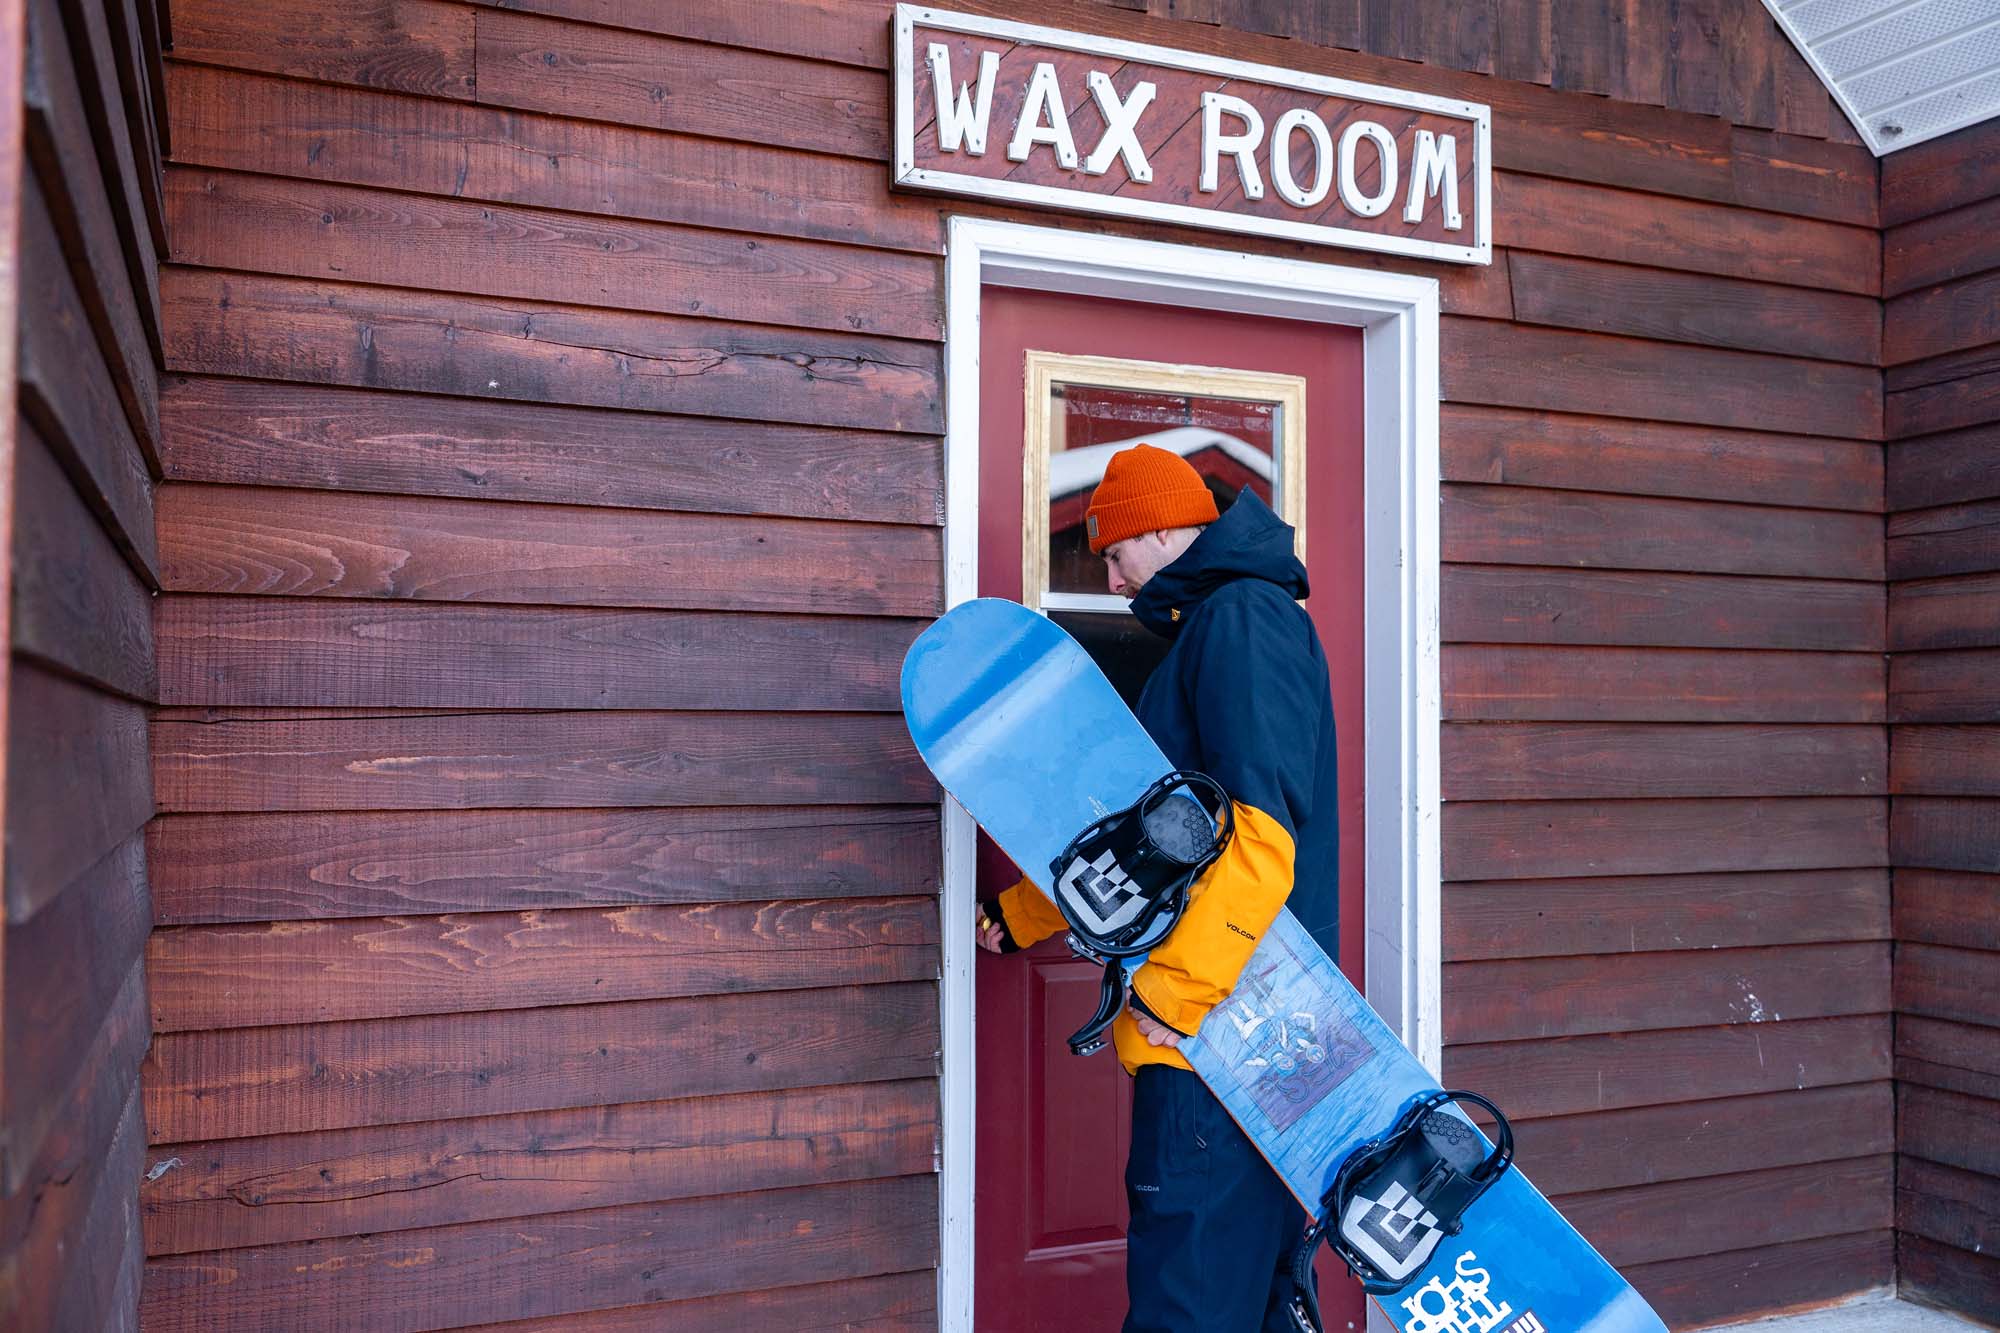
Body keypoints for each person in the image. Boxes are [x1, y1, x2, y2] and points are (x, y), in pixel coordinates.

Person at [977, 442, 1341, 1333]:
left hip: (1217, 1038)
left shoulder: (1241, 621)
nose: (1109, 576)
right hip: (1240, 1033)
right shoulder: (1220, 625)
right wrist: (1025, 915)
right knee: (1246, 1297)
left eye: (1115, 550)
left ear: (1169, 528)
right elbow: (1159, 842)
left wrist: (1174, 1001)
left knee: (1191, 1302)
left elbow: (1261, 839)